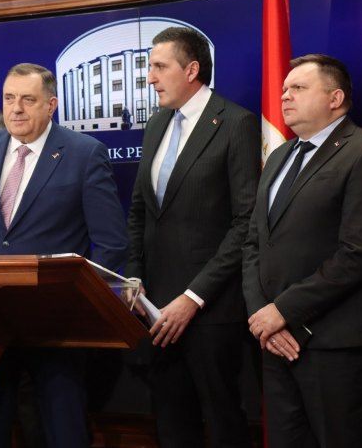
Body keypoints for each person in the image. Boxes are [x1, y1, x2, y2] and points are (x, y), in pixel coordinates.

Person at [0, 63, 128, 448]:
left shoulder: (84, 153)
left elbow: (110, 244)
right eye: (9, 98)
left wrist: (86, 311)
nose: (16, 109)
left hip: (56, 324)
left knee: (61, 429)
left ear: (51, 105)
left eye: (28, 99)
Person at [243, 54, 362, 448]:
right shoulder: (278, 155)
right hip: (275, 341)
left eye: (298, 88)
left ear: (335, 98)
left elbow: (357, 253)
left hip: (335, 345)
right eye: (283, 89)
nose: (285, 96)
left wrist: (283, 311)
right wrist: (263, 316)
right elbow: (255, 242)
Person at [125, 27, 260, 448]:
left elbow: (246, 223)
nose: (150, 77)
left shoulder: (235, 123)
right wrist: (134, 277)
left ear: (192, 70)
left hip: (211, 308)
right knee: (171, 420)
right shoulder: (156, 124)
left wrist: (193, 297)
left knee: (223, 421)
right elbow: (140, 211)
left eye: (159, 67)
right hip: (156, 307)